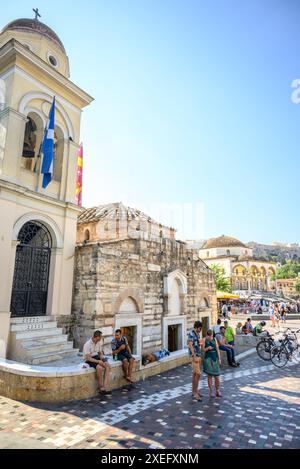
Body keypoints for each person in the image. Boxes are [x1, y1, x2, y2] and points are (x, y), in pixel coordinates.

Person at [202, 329, 222, 398]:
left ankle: (217, 390)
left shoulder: (215, 339)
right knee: (210, 376)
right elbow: (203, 350)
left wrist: (219, 358)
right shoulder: (204, 339)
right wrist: (207, 348)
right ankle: (211, 391)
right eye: (210, 336)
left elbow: (217, 349)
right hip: (208, 358)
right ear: (207, 335)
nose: (211, 338)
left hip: (214, 358)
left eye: (212, 336)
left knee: (217, 376)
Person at [187, 320, 203, 401]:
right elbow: (190, 345)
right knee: (198, 374)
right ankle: (195, 393)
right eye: (199, 328)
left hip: (199, 355)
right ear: (196, 327)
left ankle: (194, 391)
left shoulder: (198, 334)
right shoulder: (191, 333)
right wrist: (194, 356)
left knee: (195, 374)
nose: (200, 330)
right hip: (195, 356)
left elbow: (196, 344)